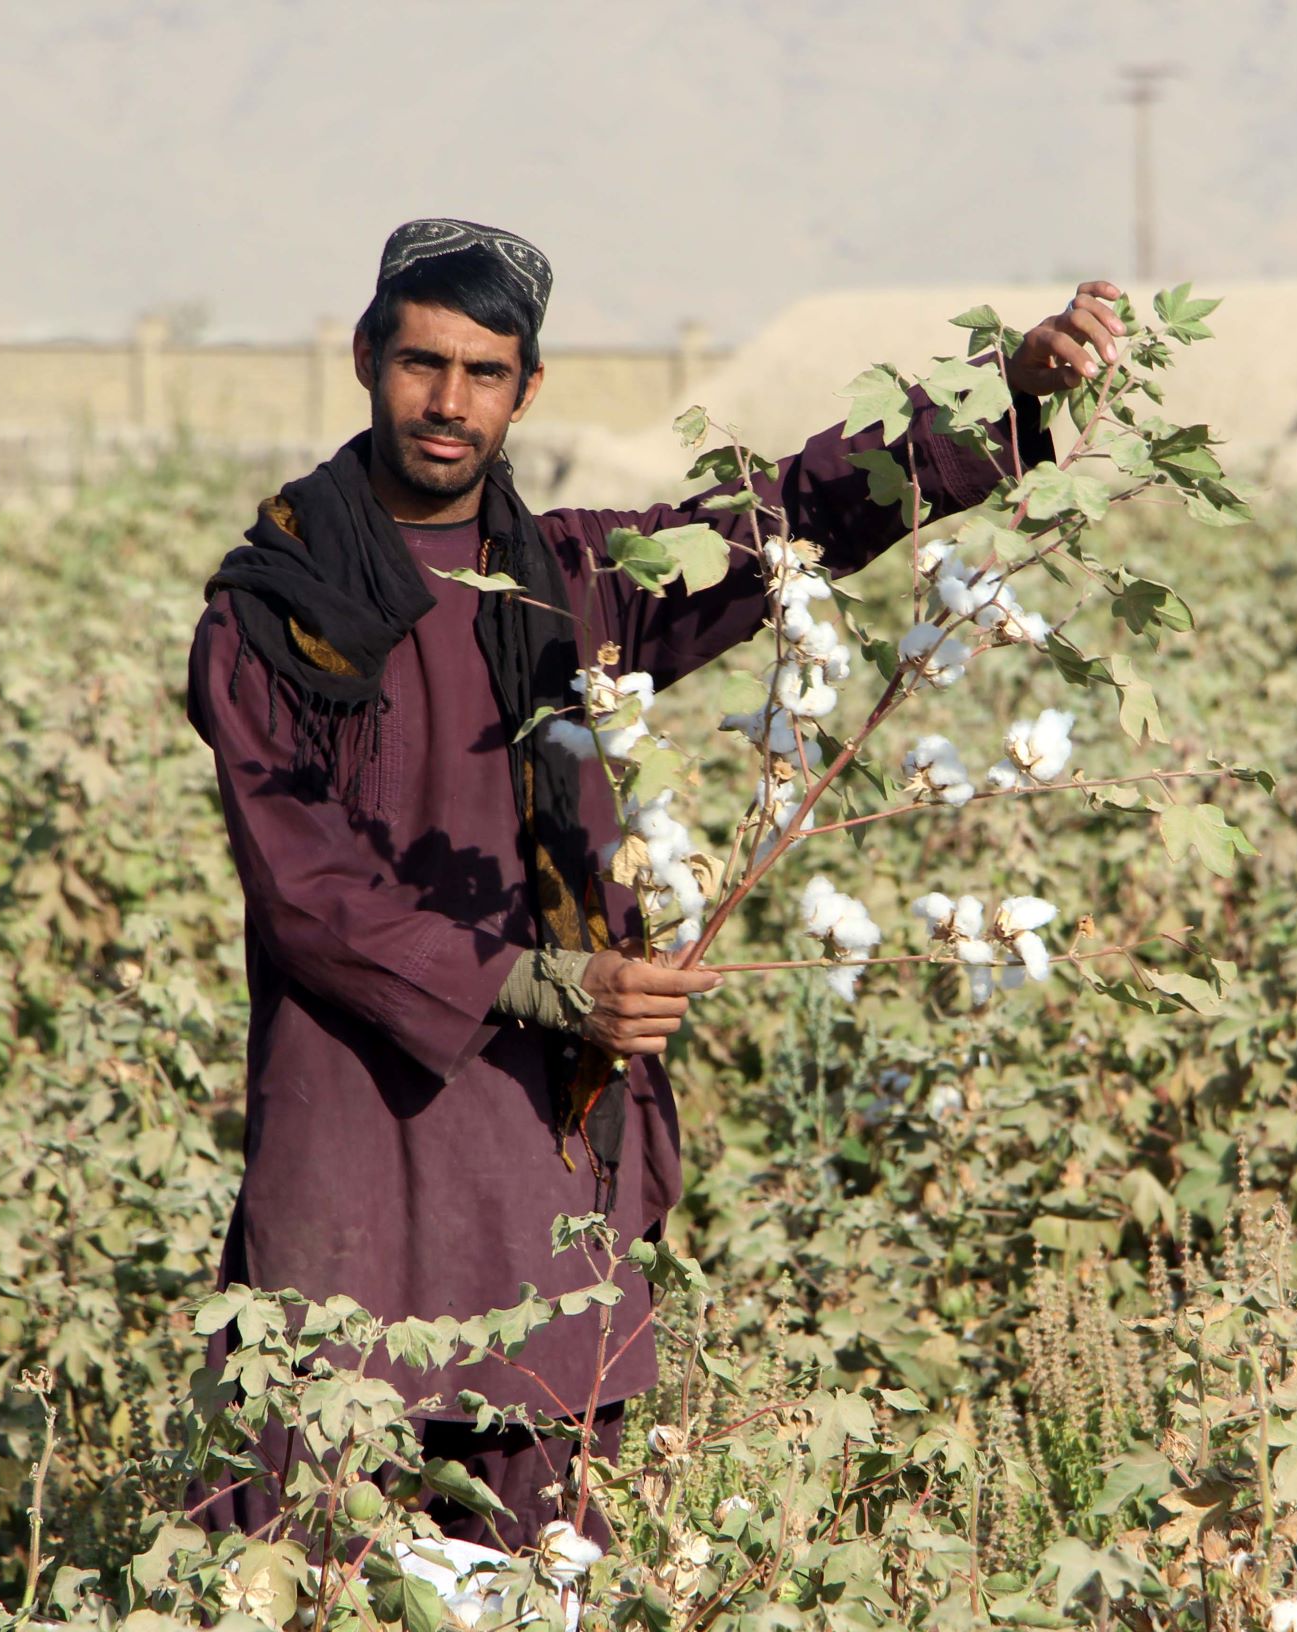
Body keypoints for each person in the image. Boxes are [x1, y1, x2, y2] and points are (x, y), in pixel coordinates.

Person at [185, 217, 1128, 1543]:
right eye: (421, 364)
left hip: (545, 1165)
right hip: (353, 1152)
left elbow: (780, 523)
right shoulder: (274, 609)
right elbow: (305, 890)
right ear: (363, 358)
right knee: (297, 1545)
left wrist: (1006, 406)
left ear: (527, 390)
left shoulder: (577, 579)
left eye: (484, 372)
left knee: (543, 1562)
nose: (448, 401)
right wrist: (541, 981)